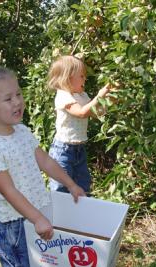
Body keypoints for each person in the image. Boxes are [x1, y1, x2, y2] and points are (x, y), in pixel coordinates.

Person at [0, 53, 85, 267]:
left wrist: (71, 184)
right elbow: (9, 191)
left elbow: (45, 161)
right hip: (13, 224)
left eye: (18, 94)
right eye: (8, 99)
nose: (17, 102)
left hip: (36, 214)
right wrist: (36, 218)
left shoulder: (21, 131)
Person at [47, 55, 112, 195]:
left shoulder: (82, 95)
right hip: (63, 150)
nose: (85, 79)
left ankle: (79, 213)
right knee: (61, 187)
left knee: (83, 184)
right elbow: (82, 112)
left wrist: (111, 100)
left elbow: (94, 112)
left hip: (79, 149)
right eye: (81, 76)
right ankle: (58, 215)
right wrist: (99, 97)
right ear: (68, 77)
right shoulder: (63, 95)